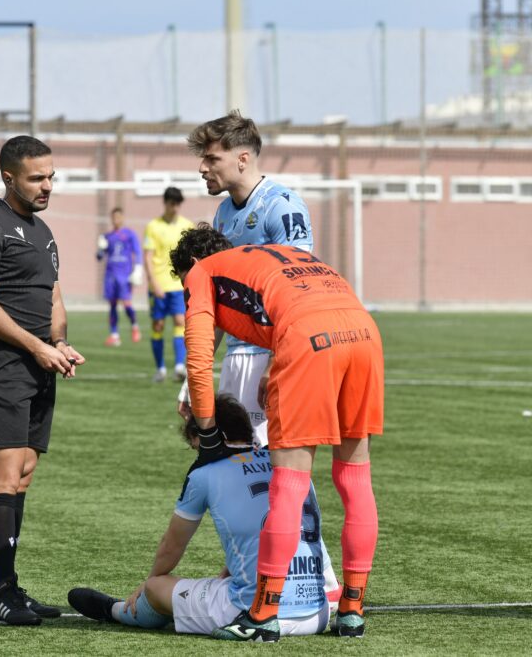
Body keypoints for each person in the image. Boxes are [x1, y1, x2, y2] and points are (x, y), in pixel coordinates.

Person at [170, 224, 382, 641]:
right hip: (364, 332)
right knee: (355, 479)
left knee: (288, 482)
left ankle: (263, 615)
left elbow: (197, 358)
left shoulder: (202, 272)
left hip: (307, 338)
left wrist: (208, 431)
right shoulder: (265, 257)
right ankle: (353, 610)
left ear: (190, 266)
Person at [68, 395, 338, 637]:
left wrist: (148, 583)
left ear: (203, 436)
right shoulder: (287, 462)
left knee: (157, 587)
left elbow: (171, 547)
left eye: (193, 443)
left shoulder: (205, 474)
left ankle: (117, 611)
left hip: (258, 613)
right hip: (319, 610)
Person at [0, 135, 86, 627]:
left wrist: (58, 342)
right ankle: (0, 591)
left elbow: (54, 299)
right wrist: (35, 347)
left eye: (51, 176)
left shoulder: (43, 231)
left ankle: (5, 587)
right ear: (8, 177)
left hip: (38, 363)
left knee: (26, 470)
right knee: (5, 472)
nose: (47, 185)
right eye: (37, 177)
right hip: (3, 365)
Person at [178, 111, 314, 448]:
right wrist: (193, 382)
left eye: (211, 158)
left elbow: (301, 292)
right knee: (235, 460)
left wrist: (276, 363)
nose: (202, 168)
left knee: (276, 460)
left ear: (242, 159)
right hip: (236, 357)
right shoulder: (224, 213)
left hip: (272, 355)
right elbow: (220, 299)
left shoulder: (281, 207)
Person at [143, 186, 193, 382]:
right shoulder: (153, 226)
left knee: (180, 322)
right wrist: (153, 282)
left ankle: (179, 366)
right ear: (165, 203)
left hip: (178, 285)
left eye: (178, 204)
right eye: (172, 203)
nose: (175, 207)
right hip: (159, 285)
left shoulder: (187, 225)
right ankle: (160, 369)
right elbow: (147, 257)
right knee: (158, 325)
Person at [96, 207, 142, 346]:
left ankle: (134, 326)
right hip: (110, 274)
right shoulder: (107, 236)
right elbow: (99, 257)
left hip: (125, 274)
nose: (116, 220)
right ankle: (115, 335)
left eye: (118, 217)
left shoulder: (129, 234)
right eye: (113, 217)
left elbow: (137, 252)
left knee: (127, 303)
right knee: (112, 304)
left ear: (122, 218)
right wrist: (100, 248)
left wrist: (138, 269)